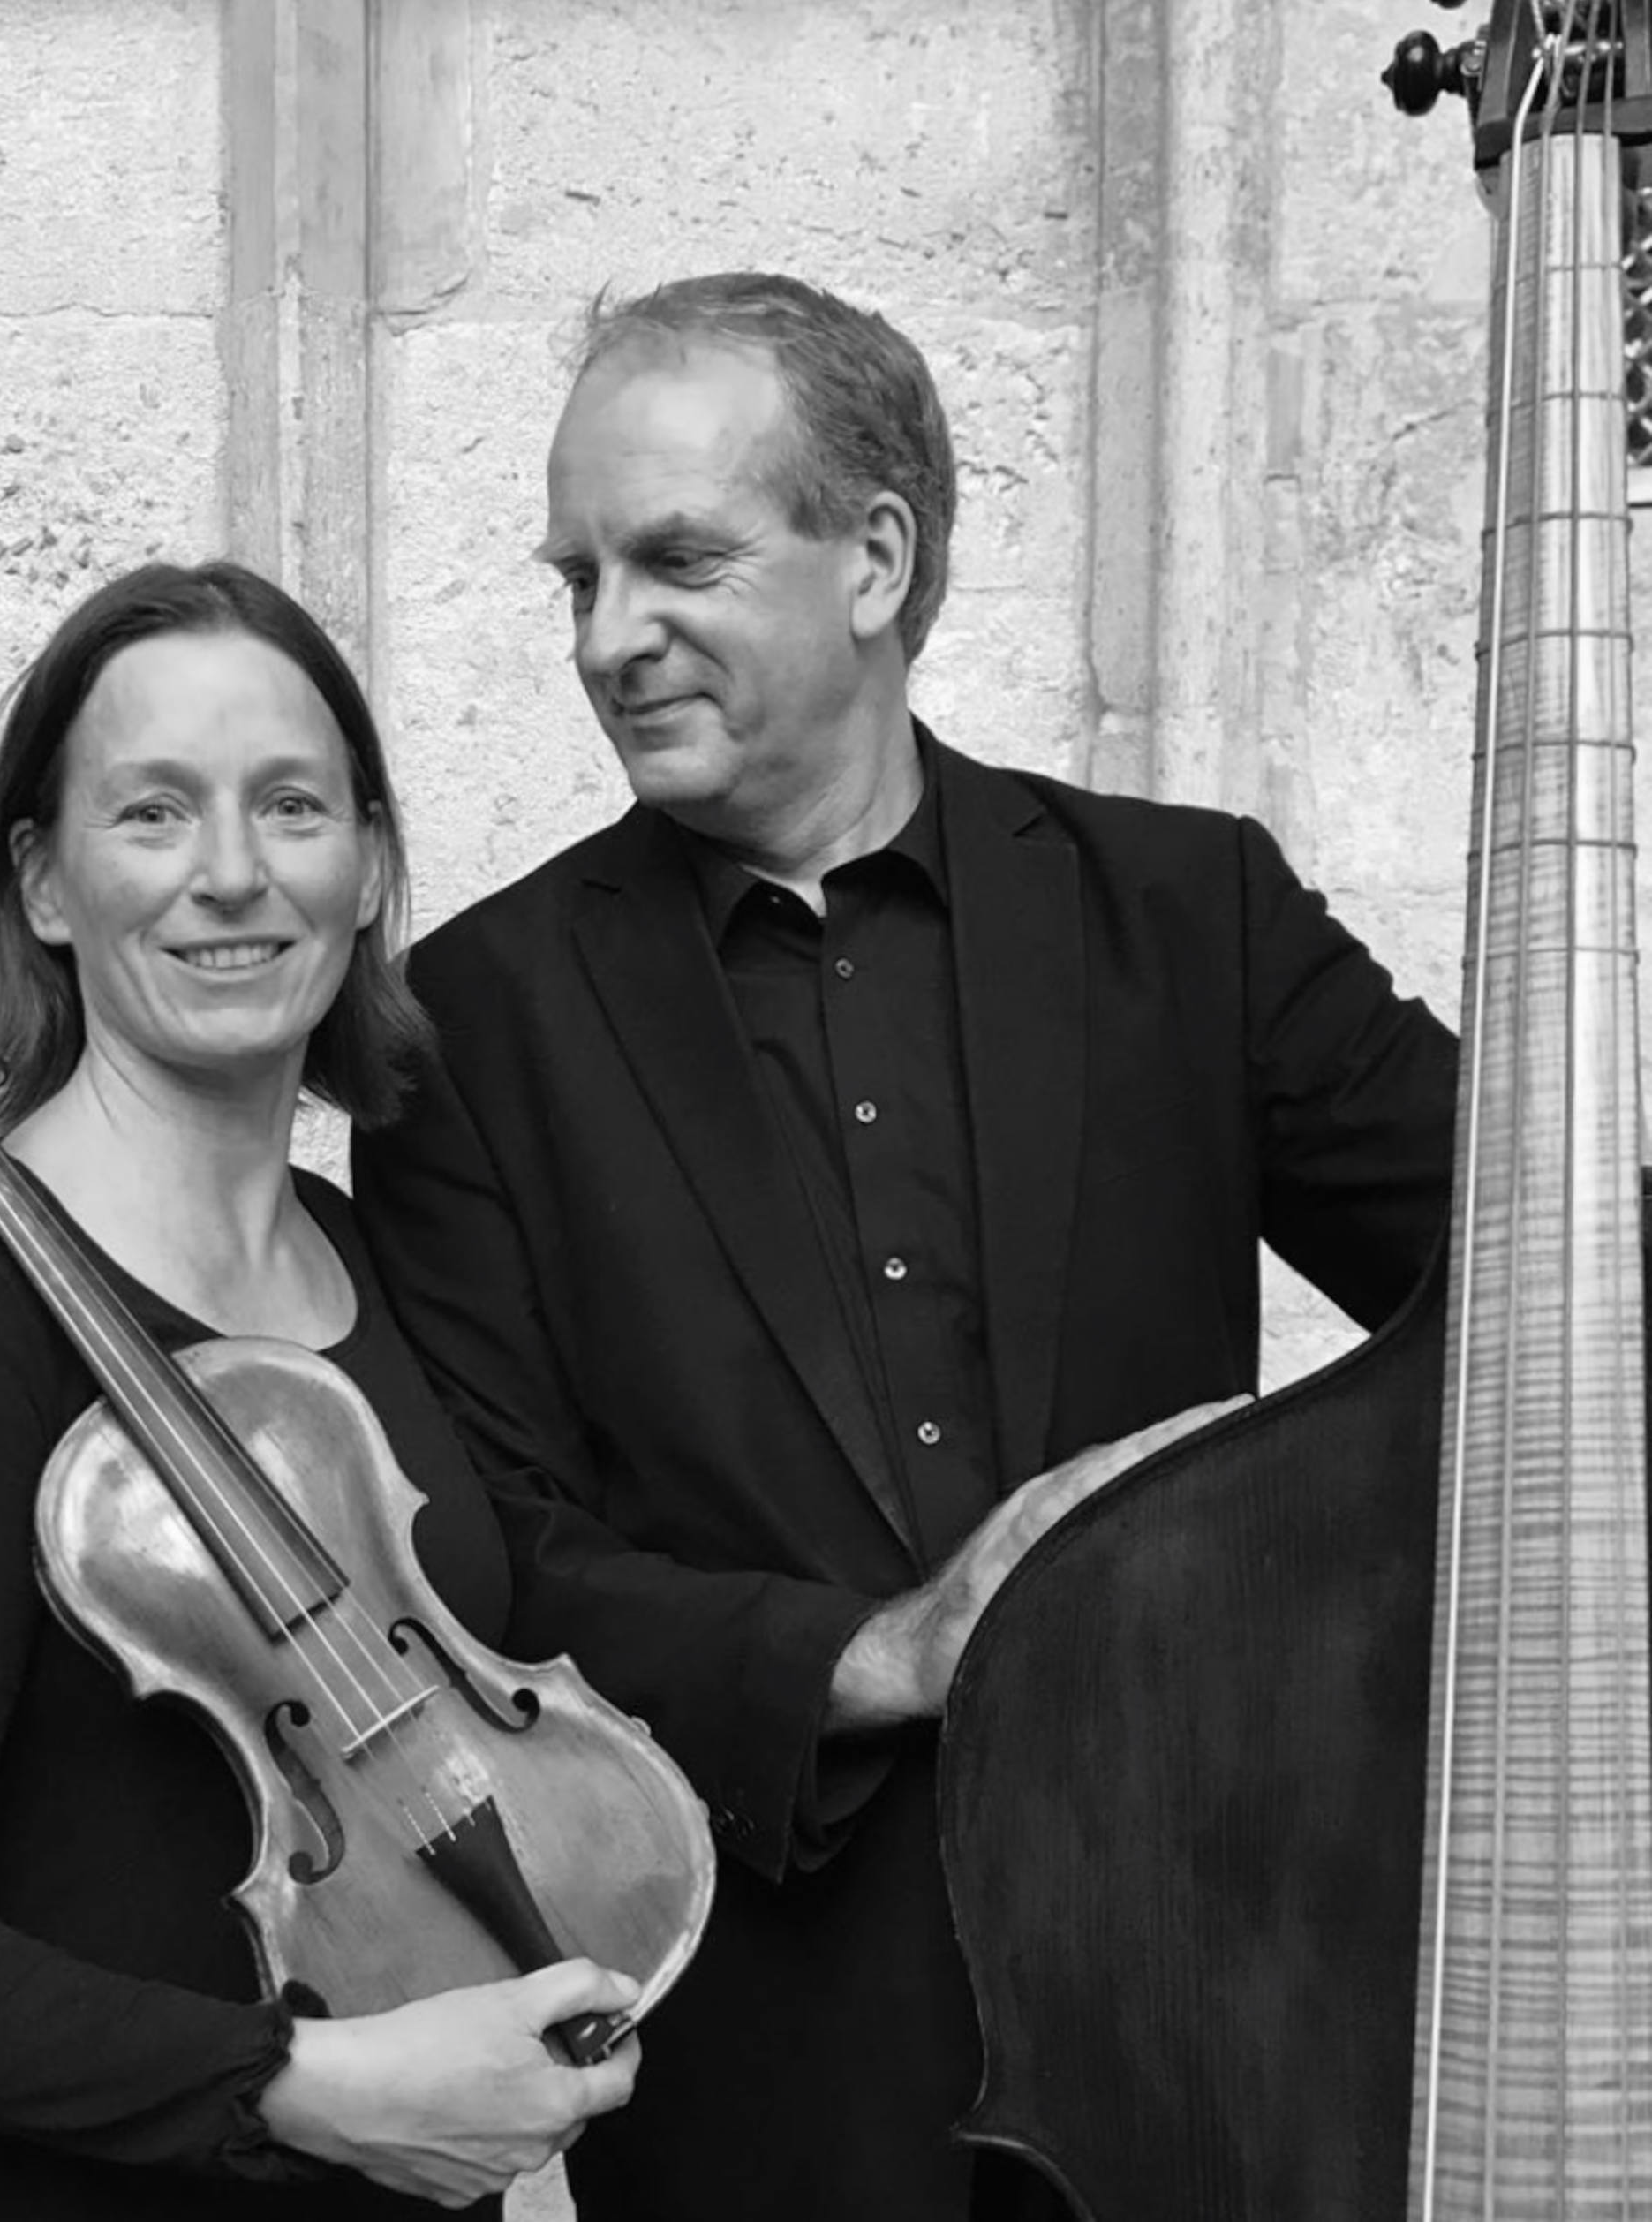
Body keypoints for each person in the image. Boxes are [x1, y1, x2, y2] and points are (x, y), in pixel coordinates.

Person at [351, 274, 1460, 2222]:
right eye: (576, 578)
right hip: (764, 2073)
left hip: (1217, 2017)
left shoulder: (1190, 920)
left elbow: (1544, 1325)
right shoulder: (474, 1023)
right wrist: (879, 1648)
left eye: (674, 559)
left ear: (873, 557)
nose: (609, 637)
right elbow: (485, 1574)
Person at [0, 559, 643, 2221]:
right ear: (42, 882)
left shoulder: (369, 1259)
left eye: (292, 807)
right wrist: (301, 2090)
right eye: (154, 815)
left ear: (368, 862)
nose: (233, 877)